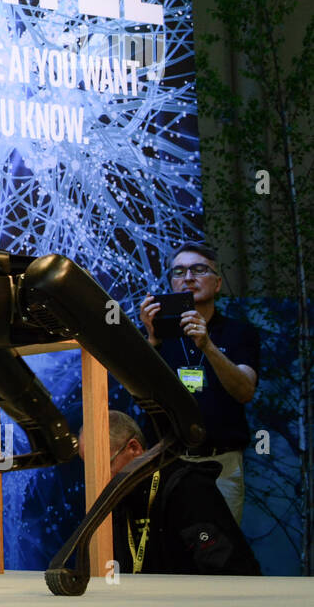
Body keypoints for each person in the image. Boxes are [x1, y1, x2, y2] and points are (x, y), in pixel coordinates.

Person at [138, 242, 259, 523]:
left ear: (217, 284)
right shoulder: (157, 335)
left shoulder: (239, 333)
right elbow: (139, 397)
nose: (188, 277)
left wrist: (207, 345)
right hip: (166, 462)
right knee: (168, 557)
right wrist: (152, 341)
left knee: (220, 558)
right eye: (178, 271)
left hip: (221, 464)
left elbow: (244, 391)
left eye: (198, 269)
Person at [79, 411, 259, 576]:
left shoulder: (187, 487)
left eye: (104, 466)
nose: (100, 480)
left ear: (134, 448)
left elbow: (230, 570)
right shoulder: (114, 501)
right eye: (90, 471)